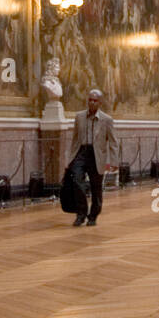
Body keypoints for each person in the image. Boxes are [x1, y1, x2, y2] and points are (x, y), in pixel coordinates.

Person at [67, 89, 121, 226]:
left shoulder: (107, 120)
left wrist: (114, 161)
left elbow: (113, 142)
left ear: (100, 102)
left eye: (95, 100)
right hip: (81, 153)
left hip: (97, 156)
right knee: (77, 182)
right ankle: (81, 214)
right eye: (90, 99)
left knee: (96, 188)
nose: (92, 102)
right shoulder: (79, 117)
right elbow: (74, 139)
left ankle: (93, 216)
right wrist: (70, 159)